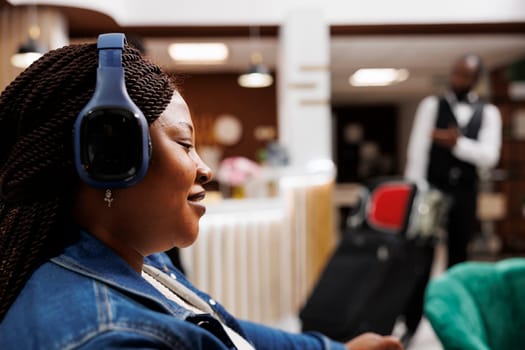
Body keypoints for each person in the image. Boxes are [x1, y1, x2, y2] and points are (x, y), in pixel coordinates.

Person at [0, 34, 402, 350]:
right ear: (110, 159)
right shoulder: (109, 339)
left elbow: (231, 332)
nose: (205, 169)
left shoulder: (143, 260)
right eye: (184, 144)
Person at [403, 53, 501, 343]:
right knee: (420, 261)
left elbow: (489, 156)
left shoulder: (489, 113)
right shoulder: (431, 106)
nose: (458, 79)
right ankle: (410, 325)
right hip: (431, 191)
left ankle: (456, 324)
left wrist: (459, 145)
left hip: (465, 193)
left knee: (459, 259)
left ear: (475, 79)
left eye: (466, 75)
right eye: (456, 73)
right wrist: (415, 193)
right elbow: (417, 153)